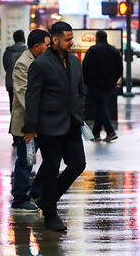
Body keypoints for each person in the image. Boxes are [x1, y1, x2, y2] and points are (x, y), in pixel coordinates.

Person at [23, 21, 87, 232]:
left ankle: (47, 200)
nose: (71, 42)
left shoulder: (75, 62)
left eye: (72, 38)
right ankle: (51, 215)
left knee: (78, 163)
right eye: (67, 39)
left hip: (72, 124)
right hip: (49, 125)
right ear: (55, 40)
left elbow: (80, 90)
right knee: (51, 168)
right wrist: (30, 128)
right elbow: (32, 97)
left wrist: (80, 111)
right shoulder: (40, 64)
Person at [9, 29, 50, 212]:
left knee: (36, 160)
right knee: (26, 161)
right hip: (27, 125)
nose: (49, 48)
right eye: (46, 45)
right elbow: (23, 95)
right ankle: (20, 198)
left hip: (37, 123)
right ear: (36, 47)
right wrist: (38, 117)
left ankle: (32, 193)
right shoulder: (23, 64)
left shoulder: (39, 61)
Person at [81, 30, 122, 142]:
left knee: (101, 107)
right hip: (109, 85)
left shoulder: (92, 51)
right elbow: (119, 68)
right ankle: (96, 133)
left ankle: (110, 131)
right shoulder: (113, 50)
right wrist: (113, 81)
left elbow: (85, 67)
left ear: (97, 38)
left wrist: (87, 82)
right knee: (101, 106)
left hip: (95, 84)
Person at [3, 30, 28, 108]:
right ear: (23, 38)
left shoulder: (8, 51)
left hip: (11, 82)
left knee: (12, 105)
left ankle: (13, 119)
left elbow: (6, 66)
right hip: (24, 83)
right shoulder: (27, 51)